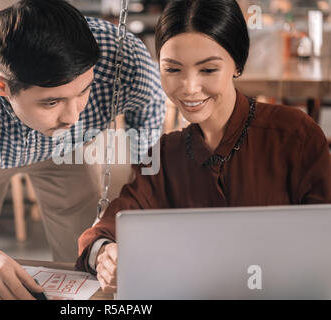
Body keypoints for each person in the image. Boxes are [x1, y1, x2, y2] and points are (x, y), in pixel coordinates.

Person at [0, 0, 166, 299]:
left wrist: (141, 192)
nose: (73, 116)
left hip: (66, 148)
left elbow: (148, 129)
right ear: (1, 86)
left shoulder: (124, 58)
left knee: (91, 262)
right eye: (52, 102)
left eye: (84, 91)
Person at [76, 0, 331, 293]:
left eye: (208, 70)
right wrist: (105, 254)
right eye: (172, 69)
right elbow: (102, 232)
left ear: (237, 64)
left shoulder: (294, 136)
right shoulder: (165, 155)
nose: (189, 87)